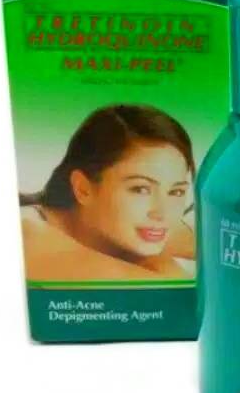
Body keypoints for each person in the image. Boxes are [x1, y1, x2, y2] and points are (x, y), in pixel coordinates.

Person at [20, 104, 196, 281]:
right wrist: (159, 262)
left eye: (176, 192)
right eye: (140, 189)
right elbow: (165, 285)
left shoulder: (144, 226)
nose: (163, 213)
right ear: (83, 189)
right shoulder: (27, 235)